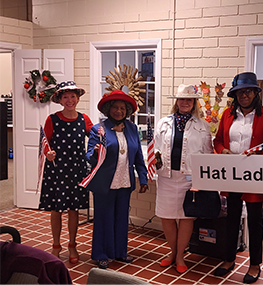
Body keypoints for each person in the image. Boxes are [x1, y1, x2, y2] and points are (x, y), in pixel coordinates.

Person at [213, 72, 263, 284]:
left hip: (254, 175)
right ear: (235, 95)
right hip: (232, 174)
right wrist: (223, 151)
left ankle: (254, 264)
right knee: (231, 217)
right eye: (240, 92)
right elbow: (218, 141)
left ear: (255, 94)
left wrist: (259, 156)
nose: (244, 95)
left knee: (255, 220)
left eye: (248, 91)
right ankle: (228, 258)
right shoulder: (227, 115)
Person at [85, 90, 148, 269]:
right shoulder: (98, 129)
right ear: (108, 109)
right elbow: (88, 156)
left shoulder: (132, 128)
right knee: (103, 218)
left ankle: (120, 252)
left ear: (127, 110)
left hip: (125, 181)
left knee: (121, 218)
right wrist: (95, 152)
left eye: (122, 108)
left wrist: (142, 178)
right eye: (115, 107)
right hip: (104, 183)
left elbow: (138, 157)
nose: (118, 111)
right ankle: (101, 253)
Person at [154, 84, 213, 274]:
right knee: (167, 217)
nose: (185, 102)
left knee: (186, 218)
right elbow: (155, 149)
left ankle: (180, 256)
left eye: (189, 99)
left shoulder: (202, 126)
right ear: (176, 101)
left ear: (194, 102)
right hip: (166, 177)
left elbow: (207, 155)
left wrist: (201, 181)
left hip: (190, 179)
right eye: (182, 99)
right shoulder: (163, 123)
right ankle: (172, 252)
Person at [39, 81, 93, 264]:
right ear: (60, 100)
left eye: (72, 96)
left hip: (77, 170)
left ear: (77, 98)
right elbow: (44, 143)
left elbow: (96, 138)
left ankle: (72, 244)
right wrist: (48, 153)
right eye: (65, 97)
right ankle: (56, 245)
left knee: (73, 209)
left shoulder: (84, 119)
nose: (69, 100)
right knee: (56, 209)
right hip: (57, 171)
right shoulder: (52, 119)